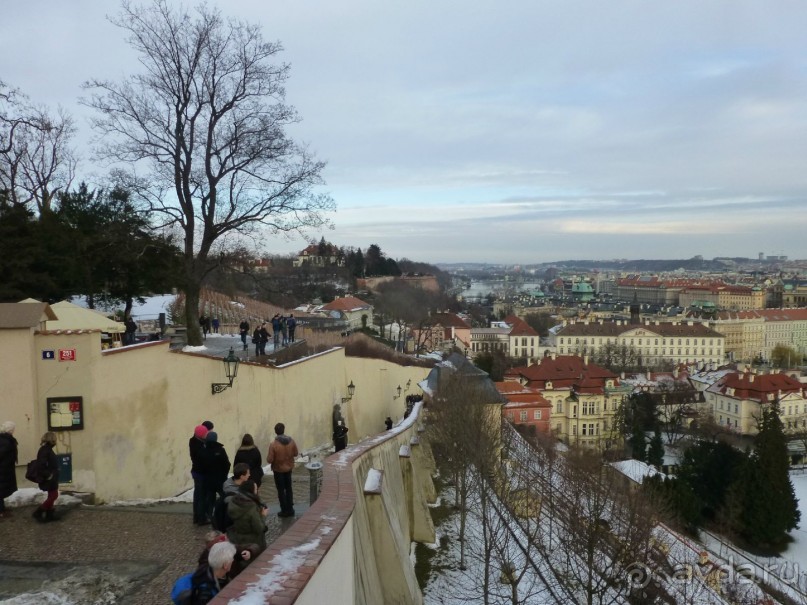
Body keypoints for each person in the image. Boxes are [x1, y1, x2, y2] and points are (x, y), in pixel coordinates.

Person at [266, 422, 298, 518]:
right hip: (289, 468)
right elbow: (296, 453)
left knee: (281, 490)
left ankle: (284, 510)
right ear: (284, 430)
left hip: (278, 470)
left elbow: (269, 460)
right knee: (289, 488)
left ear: (275, 432)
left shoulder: (273, 444)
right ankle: (290, 508)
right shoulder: (291, 441)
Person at [226, 479, 268, 552]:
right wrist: (263, 515)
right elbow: (259, 528)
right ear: (251, 491)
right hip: (253, 542)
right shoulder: (251, 507)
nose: (257, 491)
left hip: (239, 538)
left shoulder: (234, 501)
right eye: (255, 489)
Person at [32, 432, 59, 522]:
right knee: (54, 495)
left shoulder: (47, 449)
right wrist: (48, 475)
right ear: (51, 440)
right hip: (49, 478)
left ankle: (49, 515)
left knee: (51, 495)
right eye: (54, 439)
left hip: (52, 476)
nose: (56, 441)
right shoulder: (45, 450)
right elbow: (41, 465)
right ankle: (38, 512)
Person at [203, 431, 231, 518]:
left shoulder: (204, 450)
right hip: (220, 479)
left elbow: (201, 465)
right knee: (224, 497)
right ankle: (225, 513)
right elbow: (227, 464)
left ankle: (209, 515)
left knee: (210, 499)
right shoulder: (220, 450)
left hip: (208, 479)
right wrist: (224, 474)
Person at [189, 424, 211, 525]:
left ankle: (196, 516)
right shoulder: (199, 446)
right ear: (201, 435)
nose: (207, 435)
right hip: (201, 473)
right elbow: (204, 460)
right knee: (202, 496)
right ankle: (201, 518)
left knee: (197, 495)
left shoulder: (193, 440)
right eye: (206, 433)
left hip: (197, 472)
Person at [0, 421, 18, 519]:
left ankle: (2, 508)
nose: (14, 430)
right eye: (13, 429)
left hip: (5, 468)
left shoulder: (5, 439)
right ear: (10, 430)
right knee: (1, 489)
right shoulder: (5, 441)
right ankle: (1, 511)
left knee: (2, 489)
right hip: (3, 469)